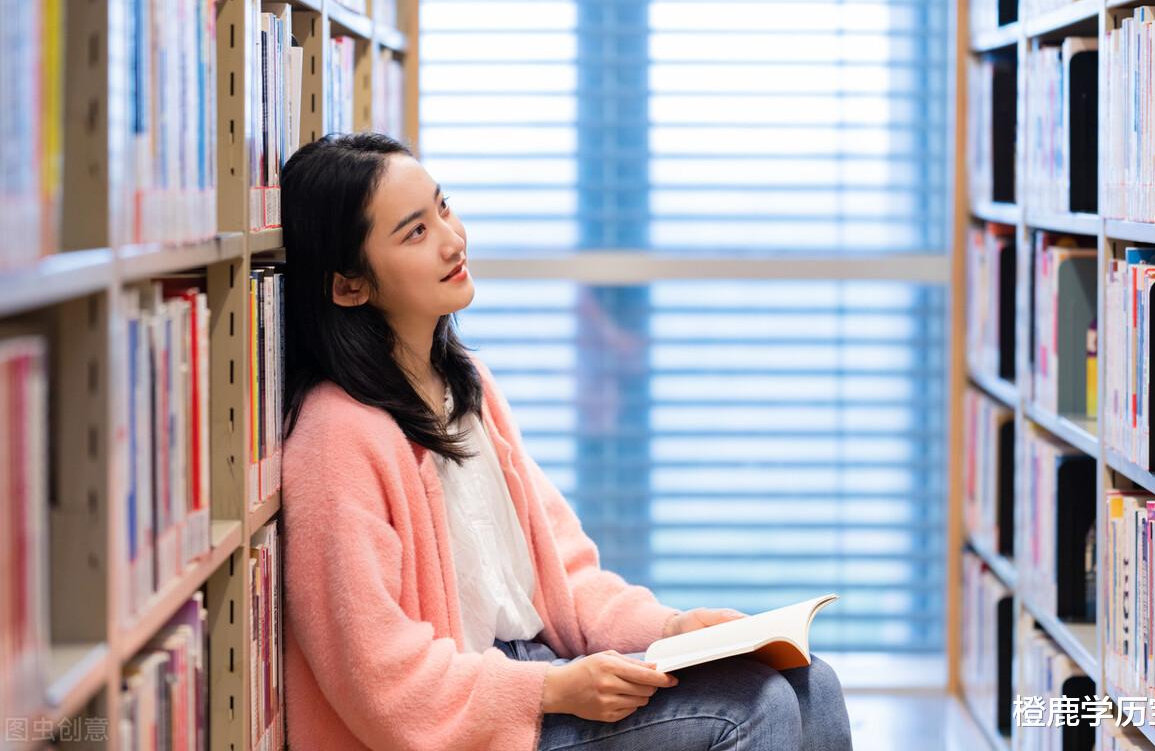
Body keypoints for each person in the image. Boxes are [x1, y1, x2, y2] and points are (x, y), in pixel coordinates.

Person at [279, 132, 854, 751]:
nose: (453, 239)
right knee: (751, 709)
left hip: (539, 671)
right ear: (348, 286)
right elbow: (381, 678)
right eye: (414, 232)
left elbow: (565, 576)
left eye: (443, 208)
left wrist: (673, 627)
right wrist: (551, 691)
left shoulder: (466, 386)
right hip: (482, 711)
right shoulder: (336, 437)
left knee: (808, 682)